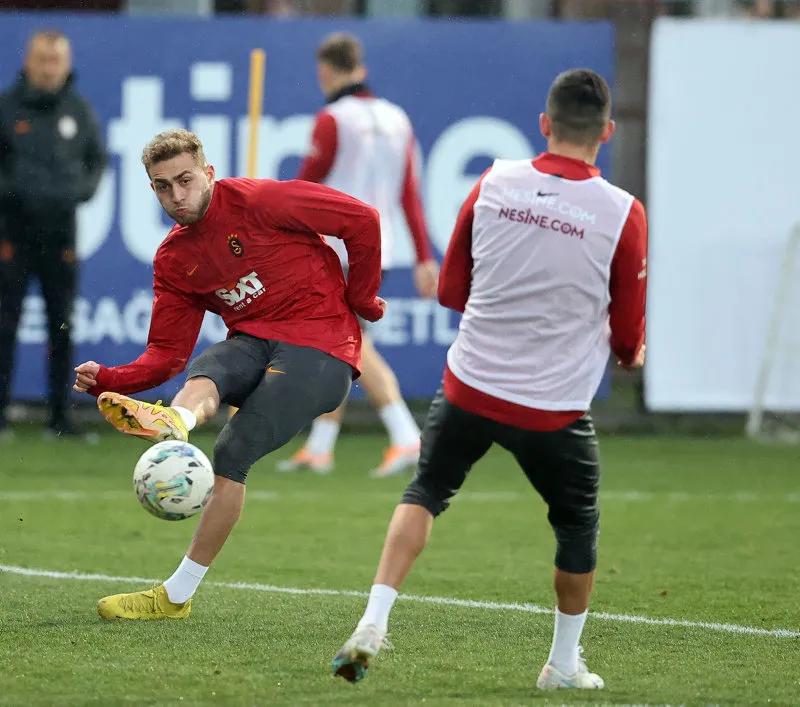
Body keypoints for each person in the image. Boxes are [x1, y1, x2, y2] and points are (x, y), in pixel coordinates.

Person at [330, 69, 648, 691]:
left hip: (470, 386)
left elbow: (452, 291)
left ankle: (372, 622)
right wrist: (630, 354)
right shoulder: (622, 213)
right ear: (607, 132)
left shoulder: (495, 180)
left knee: (426, 491)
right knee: (576, 526)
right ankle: (562, 665)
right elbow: (627, 338)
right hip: (552, 408)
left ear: (545, 124)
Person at [72, 128, 385, 620]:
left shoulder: (262, 201)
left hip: (322, 345)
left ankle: (175, 596)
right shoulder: (174, 259)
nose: (176, 195)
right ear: (152, 189)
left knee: (232, 450)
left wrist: (362, 299)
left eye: (185, 180)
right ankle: (175, 423)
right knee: (211, 365)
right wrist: (110, 379)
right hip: (254, 340)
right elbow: (166, 355)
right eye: (163, 187)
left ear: (209, 173)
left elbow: (362, 220)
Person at [277, 32, 439, 478]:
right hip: (378, 247)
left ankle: (406, 435)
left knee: (350, 343)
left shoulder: (332, 119)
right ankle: (320, 447)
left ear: (325, 71)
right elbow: (408, 193)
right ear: (361, 68)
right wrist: (424, 256)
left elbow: (305, 184)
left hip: (336, 246)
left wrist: (266, 209)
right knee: (340, 345)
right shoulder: (397, 118)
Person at [0, 29, 107, 439]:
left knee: (62, 326)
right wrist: (19, 193)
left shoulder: (78, 111)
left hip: (61, 235)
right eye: (42, 60)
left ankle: (61, 417)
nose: (48, 69)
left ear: (66, 64)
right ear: (28, 61)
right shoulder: (7, 108)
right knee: (4, 323)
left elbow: (96, 161)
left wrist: (78, 192)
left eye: (56, 61)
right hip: (12, 232)